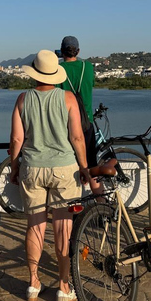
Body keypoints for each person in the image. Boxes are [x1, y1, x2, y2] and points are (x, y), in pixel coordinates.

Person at [9, 50, 91, 301]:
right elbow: (77, 137)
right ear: (55, 74)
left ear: (34, 73)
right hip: (64, 169)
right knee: (62, 229)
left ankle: (34, 283)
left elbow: (16, 139)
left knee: (34, 225)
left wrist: (14, 166)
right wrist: (85, 166)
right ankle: (64, 287)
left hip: (32, 168)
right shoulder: (67, 98)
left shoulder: (23, 99)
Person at [56, 35, 102, 196]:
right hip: (86, 122)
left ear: (61, 52)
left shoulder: (58, 69)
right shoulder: (88, 67)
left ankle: (73, 206)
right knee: (91, 165)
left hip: (66, 125)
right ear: (78, 51)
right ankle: (102, 204)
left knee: (70, 166)